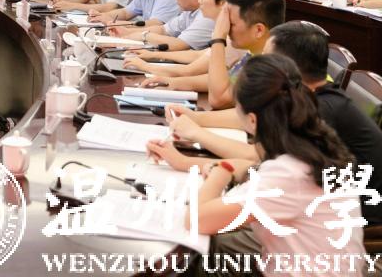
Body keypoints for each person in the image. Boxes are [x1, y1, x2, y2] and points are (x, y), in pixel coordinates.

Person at [146, 55, 364, 277]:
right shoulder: (309, 142)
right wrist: (185, 162)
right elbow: (250, 167)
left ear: (252, 120)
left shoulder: (288, 173)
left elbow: (196, 220)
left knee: (194, 260)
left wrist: (219, 173)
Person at [164, 21, 382, 226]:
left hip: (349, 213)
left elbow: (259, 157)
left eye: (267, 59)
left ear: (285, 68)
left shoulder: (319, 109)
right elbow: (259, 153)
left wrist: (198, 134)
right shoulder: (305, 96)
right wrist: (195, 126)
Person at [148, 0, 284, 109]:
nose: (227, 28)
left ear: (258, 30)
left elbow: (219, 99)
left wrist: (219, 38)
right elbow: (223, 82)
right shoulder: (251, 54)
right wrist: (173, 83)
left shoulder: (271, 66)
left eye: (232, 23)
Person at [124, 0, 249, 75]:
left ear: (222, 4)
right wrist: (153, 55)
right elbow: (200, 55)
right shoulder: (228, 30)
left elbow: (190, 71)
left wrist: (146, 66)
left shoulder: (236, 38)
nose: (200, 1)